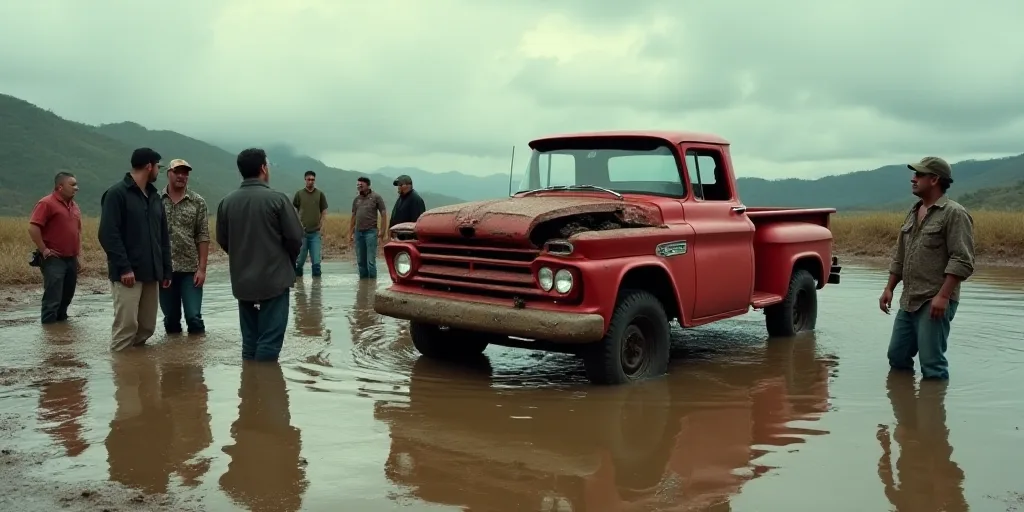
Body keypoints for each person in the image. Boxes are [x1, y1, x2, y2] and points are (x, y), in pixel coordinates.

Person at [879, 156, 975, 380]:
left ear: (934, 180)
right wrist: (889, 288)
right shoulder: (914, 211)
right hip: (909, 300)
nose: (913, 179)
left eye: (919, 175)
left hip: (934, 300)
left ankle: (932, 410)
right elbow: (900, 255)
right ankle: (907, 411)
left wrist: (943, 296)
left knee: (932, 365)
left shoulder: (954, 213)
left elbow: (963, 260)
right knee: (897, 356)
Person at [217, 148, 304, 361]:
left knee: (249, 342)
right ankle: (265, 389)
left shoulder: (226, 203)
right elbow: (295, 239)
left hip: (243, 282)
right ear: (263, 168)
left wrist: (242, 255)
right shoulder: (278, 199)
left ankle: (248, 390)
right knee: (269, 342)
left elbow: (223, 240)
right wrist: (285, 262)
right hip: (274, 281)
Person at [98, 148, 173, 351]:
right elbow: (108, 234)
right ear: (149, 166)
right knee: (126, 327)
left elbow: (163, 237)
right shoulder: (116, 194)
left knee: (147, 327)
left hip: (152, 273)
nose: (159, 171)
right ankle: (123, 377)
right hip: (127, 274)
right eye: (158, 166)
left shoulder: (155, 196)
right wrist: (124, 267)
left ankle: (138, 374)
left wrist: (166, 270)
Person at [158, 159, 210, 335]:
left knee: (194, 316)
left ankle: (196, 358)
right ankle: (173, 360)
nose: (181, 176)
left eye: (185, 173)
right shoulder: (156, 200)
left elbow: (202, 235)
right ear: (168, 173)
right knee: (171, 319)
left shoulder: (197, 202)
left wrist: (202, 269)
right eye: (177, 172)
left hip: (190, 270)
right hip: (165, 270)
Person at [28, 171, 83, 324]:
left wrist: (77, 256)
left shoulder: (74, 206)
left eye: (76, 184)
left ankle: (60, 335)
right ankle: (49, 335)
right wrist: (44, 250)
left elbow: (77, 232)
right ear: (60, 187)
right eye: (72, 185)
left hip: (71, 258)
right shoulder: (46, 203)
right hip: (54, 259)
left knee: (66, 297)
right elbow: (33, 227)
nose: (76, 188)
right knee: (52, 299)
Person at [349, 176, 387, 279]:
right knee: (361, 261)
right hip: (358, 232)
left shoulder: (376, 197)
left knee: (371, 261)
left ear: (368, 185)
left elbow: (383, 214)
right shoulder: (356, 200)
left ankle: (372, 287)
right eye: (358, 185)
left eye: (361, 184)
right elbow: (353, 216)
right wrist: (350, 233)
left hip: (371, 232)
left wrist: (382, 231)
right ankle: (363, 287)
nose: (359, 186)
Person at [292, 170, 328, 277]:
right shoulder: (299, 194)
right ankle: (299, 289)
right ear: (305, 180)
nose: (311, 181)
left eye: (313, 179)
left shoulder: (320, 194)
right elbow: (295, 210)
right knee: (300, 261)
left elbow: (324, 211)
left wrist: (321, 225)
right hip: (302, 233)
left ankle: (316, 291)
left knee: (316, 262)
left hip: (315, 233)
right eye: (309, 179)